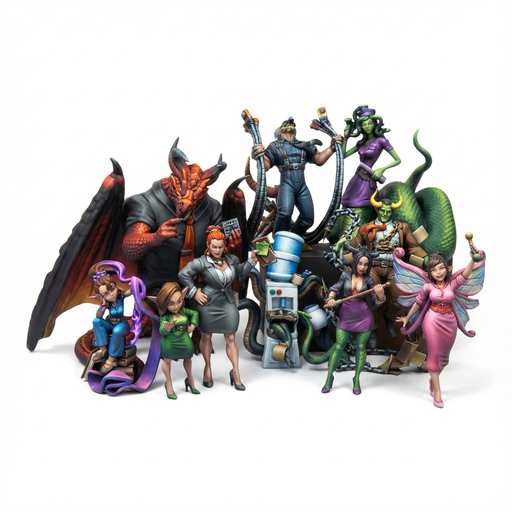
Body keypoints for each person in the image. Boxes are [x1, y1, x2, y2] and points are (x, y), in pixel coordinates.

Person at [396, 249, 484, 408]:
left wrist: (473, 260)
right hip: (432, 321)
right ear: (429, 273)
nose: (438, 272)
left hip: (450, 322)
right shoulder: (427, 287)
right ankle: (437, 392)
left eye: (441, 268)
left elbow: (465, 275)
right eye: (434, 270)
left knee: (444, 359)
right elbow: (417, 303)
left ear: (448, 268)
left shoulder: (452, 284)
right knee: (434, 355)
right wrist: (407, 318)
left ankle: (433, 380)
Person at [178, 226, 258, 390]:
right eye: (214, 246)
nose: (217, 250)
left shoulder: (231, 259)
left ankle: (236, 372)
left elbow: (241, 272)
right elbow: (183, 274)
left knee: (231, 337)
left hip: (227, 302)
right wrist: (194, 292)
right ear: (208, 245)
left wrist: (252, 260)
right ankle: (207, 368)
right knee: (206, 336)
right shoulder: (201, 262)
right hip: (208, 302)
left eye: (220, 247)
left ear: (224, 246)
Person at [348, 190, 427, 341]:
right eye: (382, 211)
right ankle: (373, 328)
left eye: (388, 211)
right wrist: (342, 255)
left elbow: (413, 248)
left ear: (392, 212)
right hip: (373, 267)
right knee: (371, 299)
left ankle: (389, 317)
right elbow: (353, 246)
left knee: (401, 298)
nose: (385, 214)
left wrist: (426, 259)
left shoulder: (402, 227)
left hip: (394, 268)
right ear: (378, 210)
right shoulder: (366, 227)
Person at [251, 117, 342, 238]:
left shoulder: (304, 145)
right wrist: (258, 155)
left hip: (301, 187)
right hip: (287, 185)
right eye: (287, 124)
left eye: (292, 124)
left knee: (308, 218)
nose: (290, 124)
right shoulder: (274, 146)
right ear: (280, 131)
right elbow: (265, 165)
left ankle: (292, 239)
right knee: (284, 214)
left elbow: (319, 159)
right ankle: (279, 240)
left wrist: (332, 148)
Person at [316, 247, 385, 394]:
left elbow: (375, 303)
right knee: (339, 346)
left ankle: (357, 379)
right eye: (360, 263)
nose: (362, 267)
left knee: (361, 348)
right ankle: (329, 377)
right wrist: (331, 298)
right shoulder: (345, 275)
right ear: (355, 262)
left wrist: (380, 296)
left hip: (364, 317)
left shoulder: (369, 280)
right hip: (346, 316)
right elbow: (335, 288)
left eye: (366, 265)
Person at [341, 105, 401, 220]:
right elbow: (343, 155)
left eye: (370, 123)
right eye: (364, 124)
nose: (367, 126)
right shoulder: (361, 142)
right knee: (348, 201)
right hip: (358, 176)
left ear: (374, 124)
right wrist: (346, 138)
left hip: (368, 178)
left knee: (363, 204)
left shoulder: (381, 140)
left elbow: (398, 160)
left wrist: (382, 169)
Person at [155, 282, 200, 400]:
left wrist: (192, 326)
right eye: (171, 303)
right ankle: (169, 383)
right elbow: (161, 331)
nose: (176, 306)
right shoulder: (165, 316)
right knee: (167, 361)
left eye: (179, 301)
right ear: (164, 303)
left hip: (185, 340)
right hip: (170, 342)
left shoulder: (183, 311)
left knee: (188, 359)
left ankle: (190, 380)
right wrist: (166, 328)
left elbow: (195, 313)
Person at [89, 263, 133, 375]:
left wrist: (132, 285)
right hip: (110, 323)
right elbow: (98, 317)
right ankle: (102, 349)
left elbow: (131, 291)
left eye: (112, 289)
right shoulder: (106, 303)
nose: (111, 294)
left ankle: (111, 360)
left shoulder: (120, 297)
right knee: (96, 321)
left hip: (122, 324)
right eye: (106, 294)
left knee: (117, 331)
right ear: (101, 296)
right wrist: (103, 307)